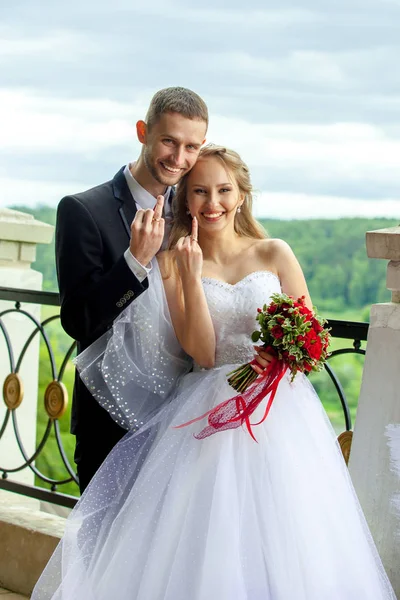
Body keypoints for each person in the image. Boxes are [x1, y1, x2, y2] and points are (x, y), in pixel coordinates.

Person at [33, 145, 395, 599]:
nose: (213, 202)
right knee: (205, 538)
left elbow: (311, 338)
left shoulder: (274, 252)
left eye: (224, 190)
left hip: (281, 416)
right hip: (205, 412)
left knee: (288, 537)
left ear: (241, 195)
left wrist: (282, 355)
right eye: (200, 191)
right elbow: (203, 353)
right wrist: (189, 274)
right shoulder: (173, 262)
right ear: (185, 199)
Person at [55, 87, 208, 492]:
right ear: (143, 132)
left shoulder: (198, 209)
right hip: (109, 417)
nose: (179, 159)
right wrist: (134, 263)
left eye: (191, 147)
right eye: (169, 141)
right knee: (101, 551)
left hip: (184, 413)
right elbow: (77, 320)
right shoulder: (83, 209)